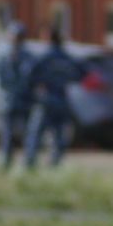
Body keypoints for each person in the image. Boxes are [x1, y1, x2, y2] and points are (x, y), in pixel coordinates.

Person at [24, 26, 85, 168]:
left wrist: (34, 90)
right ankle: (55, 163)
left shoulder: (43, 57)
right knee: (58, 135)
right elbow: (80, 74)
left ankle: (30, 164)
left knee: (35, 133)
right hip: (62, 100)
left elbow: (29, 75)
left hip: (45, 100)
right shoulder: (67, 58)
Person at [0, 23, 34, 169]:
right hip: (7, 100)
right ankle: (5, 163)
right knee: (6, 133)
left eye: (19, 36)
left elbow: (29, 78)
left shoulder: (28, 56)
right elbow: (1, 78)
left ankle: (28, 163)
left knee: (26, 132)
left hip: (24, 100)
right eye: (14, 35)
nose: (16, 39)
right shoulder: (0, 55)